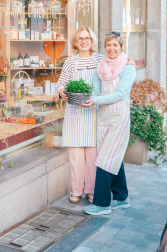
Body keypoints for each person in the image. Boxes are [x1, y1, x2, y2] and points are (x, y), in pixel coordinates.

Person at [82, 32, 136, 216]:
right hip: (103, 117)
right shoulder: (101, 66)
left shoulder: (128, 67)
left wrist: (96, 101)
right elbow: (97, 91)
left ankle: (102, 203)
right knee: (113, 156)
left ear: (121, 47)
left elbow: (121, 94)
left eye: (115, 45)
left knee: (105, 158)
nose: (112, 49)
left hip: (119, 117)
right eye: (108, 45)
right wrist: (89, 99)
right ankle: (121, 197)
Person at [57, 26, 103, 205]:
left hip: (93, 112)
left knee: (92, 156)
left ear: (92, 41)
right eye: (80, 39)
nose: (84, 41)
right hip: (74, 112)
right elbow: (61, 83)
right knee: (75, 157)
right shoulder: (70, 61)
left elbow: (116, 65)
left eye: (87, 38)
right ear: (76, 42)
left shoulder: (100, 59)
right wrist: (61, 92)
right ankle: (76, 191)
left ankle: (91, 191)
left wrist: (128, 61)